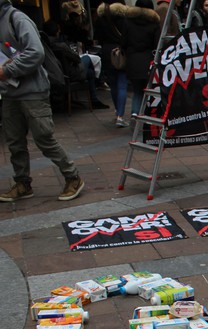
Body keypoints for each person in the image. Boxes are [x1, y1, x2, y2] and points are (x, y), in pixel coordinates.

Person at [0, 0, 85, 202]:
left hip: (32, 91)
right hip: (10, 93)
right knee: (14, 142)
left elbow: (35, 52)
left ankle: (72, 177)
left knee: (44, 138)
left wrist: (7, 70)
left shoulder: (16, 18)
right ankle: (23, 183)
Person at [42, 20, 109, 110]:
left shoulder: (45, 45)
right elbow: (76, 58)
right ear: (56, 32)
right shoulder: (61, 46)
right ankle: (98, 86)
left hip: (57, 74)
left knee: (90, 72)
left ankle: (94, 99)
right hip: (69, 74)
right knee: (87, 58)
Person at [117, 0, 161, 120]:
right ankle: (145, 115)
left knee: (137, 90)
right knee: (148, 90)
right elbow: (157, 44)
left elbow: (123, 42)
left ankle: (135, 113)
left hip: (132, 60)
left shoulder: (128, 22)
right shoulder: (154, 23)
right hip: (148, 60)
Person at [96, 0, 130, 127]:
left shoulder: (101, 19)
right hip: (120, 52)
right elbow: (127, 36)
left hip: (106, 52)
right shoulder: (123, 18)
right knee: (122, 84)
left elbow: (97, 38)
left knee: (113, 84)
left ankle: (117, 112)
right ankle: (120, 116)